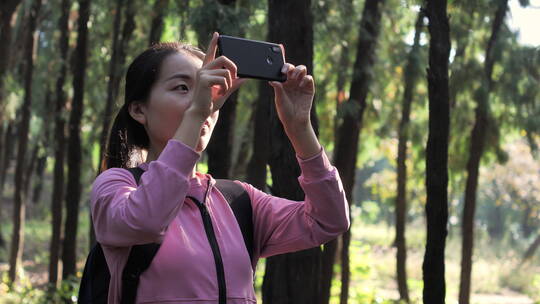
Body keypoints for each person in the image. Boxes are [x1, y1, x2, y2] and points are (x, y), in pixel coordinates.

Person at [91, 32, 349, 304]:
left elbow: (328, 220)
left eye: (209, 88)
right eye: (182, 88)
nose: (205, 101)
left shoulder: (240, 201)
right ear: (138, 110)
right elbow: (147, 219)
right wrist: (195, 113)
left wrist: (300, 128)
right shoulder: (116, 187)